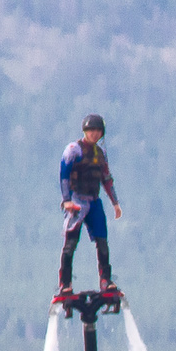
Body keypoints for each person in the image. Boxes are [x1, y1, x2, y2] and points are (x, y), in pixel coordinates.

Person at [55, 113, 123, 304]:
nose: (94, 134)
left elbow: (107, 179)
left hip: (94, 202)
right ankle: (65, 283)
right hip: (77, 201)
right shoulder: (73, 150)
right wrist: (66, 200)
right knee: (70, 243)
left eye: (98, 131)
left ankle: (105, 280)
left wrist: (115, 203)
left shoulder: (99, 155)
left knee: (102, 241)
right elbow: (64, 175)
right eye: (91, 130)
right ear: (85, 131)